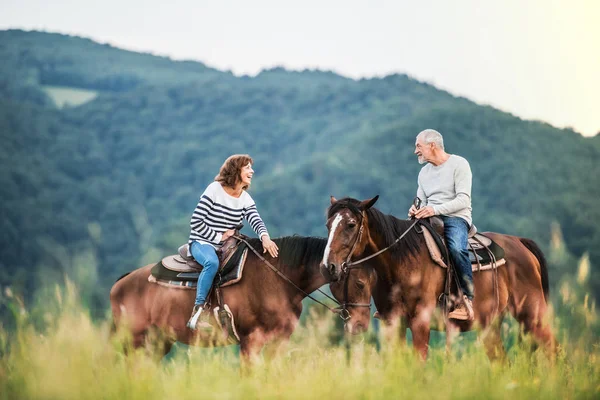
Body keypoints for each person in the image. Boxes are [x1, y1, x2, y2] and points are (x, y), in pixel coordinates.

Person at [186, 154, 279, 331]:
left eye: (251, 167)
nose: (252, 171)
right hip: (202, 241)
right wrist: (219, 237)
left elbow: (256, 220)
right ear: (236, 170)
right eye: (247, 167)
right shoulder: (214, 189)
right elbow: (196, 221)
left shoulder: (245, 199)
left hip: (228, 245)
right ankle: (198, 311)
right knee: (211, 263)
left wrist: (265, 237)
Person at [408, 129, 475, 321]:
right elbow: (420, 200)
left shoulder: (459, 164)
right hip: (429, 217)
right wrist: (414, 209)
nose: (415, 151)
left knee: (456, 248)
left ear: (432, 145)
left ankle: (467, 299)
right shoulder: (423, 173)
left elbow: (463, 200)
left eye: (418, 146)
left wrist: (434, 210)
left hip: (456, 217)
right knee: (404, 244)